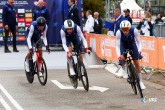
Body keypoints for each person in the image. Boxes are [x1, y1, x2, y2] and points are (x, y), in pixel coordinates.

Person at [116, 20, 145, 90]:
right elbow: (117, 46)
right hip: (123, 45)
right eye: (123, 29)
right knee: (122, 58)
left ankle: (140, 81)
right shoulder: (118, 32)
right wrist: (119, 55)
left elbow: (139, 42)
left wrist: (139, 50)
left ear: (129, 28)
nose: (125, 31)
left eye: (126, 29)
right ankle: (124, 69)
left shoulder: (134, 30)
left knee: (137, 62)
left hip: (132, 45)